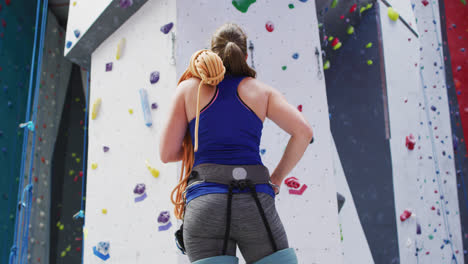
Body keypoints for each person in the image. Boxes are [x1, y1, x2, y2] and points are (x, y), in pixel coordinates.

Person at [159, 23, 313, 264]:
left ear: (211, 53)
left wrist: (199, 143)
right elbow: (303, 132)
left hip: (204, 202)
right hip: (254, 201)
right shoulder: (261, 92)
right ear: (246, 55)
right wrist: (277, 178)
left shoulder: (188, 89)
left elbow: (167, 153)